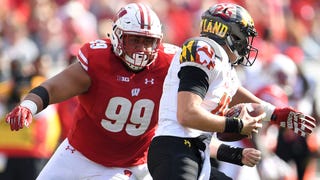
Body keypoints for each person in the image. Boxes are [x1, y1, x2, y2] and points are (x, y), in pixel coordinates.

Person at [4, 3, 180, 179]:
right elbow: (53, 87)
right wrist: (28, 105)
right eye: (134, 40)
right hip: (79, 154)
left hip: (130, 164)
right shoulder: (98, 61)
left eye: (148, 41)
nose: (142, 49)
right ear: (118, 36)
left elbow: (199, 95)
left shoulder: (170, 64)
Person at [147, 3, 317, 180]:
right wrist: (237, 125)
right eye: (244, 35)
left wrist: (274, 113)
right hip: (176, 148)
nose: (246, 42)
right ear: (230, 34)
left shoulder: (222, 62)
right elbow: (187, 114)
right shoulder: (203, 49)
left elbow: (233, 92)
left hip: (194, 150)